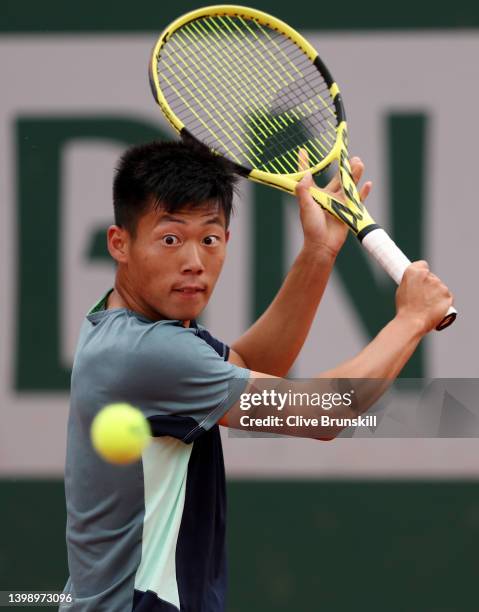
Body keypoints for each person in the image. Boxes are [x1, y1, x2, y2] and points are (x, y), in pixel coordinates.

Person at [61, 140, 452, 611]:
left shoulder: (129, 329)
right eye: (170, 239)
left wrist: (319, 252)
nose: (193, 261)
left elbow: (248, 364)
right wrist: (410, 320)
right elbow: (321, 413)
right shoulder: (147, 353)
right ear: (119, 243)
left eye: (210, 239)